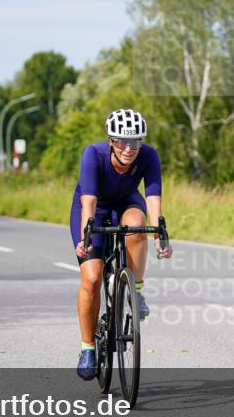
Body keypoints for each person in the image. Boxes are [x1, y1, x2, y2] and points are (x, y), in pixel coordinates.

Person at [70, 109, 173, 380]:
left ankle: (135, 291)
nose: (130, 149)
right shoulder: (93, 155)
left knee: (137, 225)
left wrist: (160, 234)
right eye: (123, 142)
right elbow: (88, 202)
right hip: (95, 208)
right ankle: (88, 348)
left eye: (136, 142)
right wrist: (85, 237)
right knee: (91, 279)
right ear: (111, 141)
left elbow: (152, 198)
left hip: (127, 202)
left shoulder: (149, 156)